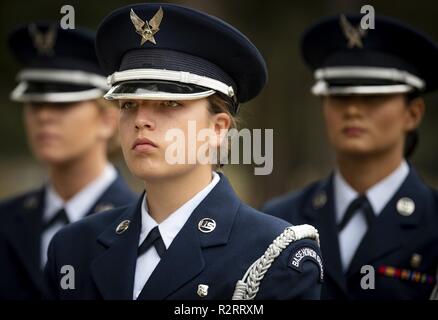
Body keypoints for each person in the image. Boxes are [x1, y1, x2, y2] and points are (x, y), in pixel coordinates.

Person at [44, 3, 323, 300]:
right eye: (129, 104)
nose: (141, 121)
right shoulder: (73, 248)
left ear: (218, 128)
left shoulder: (272, 255)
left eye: (169, 104)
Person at [263, 14, 438, 299]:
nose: (353, 110)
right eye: (340, 96)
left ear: (413, 113)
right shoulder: (279, 220)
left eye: (373, 97)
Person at [0, 23, 137, 299]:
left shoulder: (140, 225)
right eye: (35, 103)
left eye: (64, 104)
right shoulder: (5, 220)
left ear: (108, 120)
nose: (44, 117)